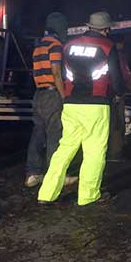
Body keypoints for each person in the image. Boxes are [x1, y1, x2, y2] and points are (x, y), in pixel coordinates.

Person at [37, 11, 123, 206]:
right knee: (94, 151)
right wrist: (118, 94)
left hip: (71, 104)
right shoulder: (108, 46)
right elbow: (117, 78)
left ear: (89, 26)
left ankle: (47, 193)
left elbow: (63, 72)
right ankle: (88, 195)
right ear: (106, 29)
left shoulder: (68, 45)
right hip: (96, 105)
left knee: (65, 148)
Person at [24, 12, 78, 188]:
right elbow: (56, 72)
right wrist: (63, 96)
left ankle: (33, 173)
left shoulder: (39, 46)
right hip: (52, 94)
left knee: (38, 133)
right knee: (55, 135)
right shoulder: (56, 46)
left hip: (38, 94)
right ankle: (56, 176)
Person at [106, 36, 131, 161]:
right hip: (115, 95)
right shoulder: (118, 56)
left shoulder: (103, 52)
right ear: (121, 44)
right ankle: (115, 153)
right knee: (117, 123)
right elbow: (125, 76)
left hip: (101, 94)